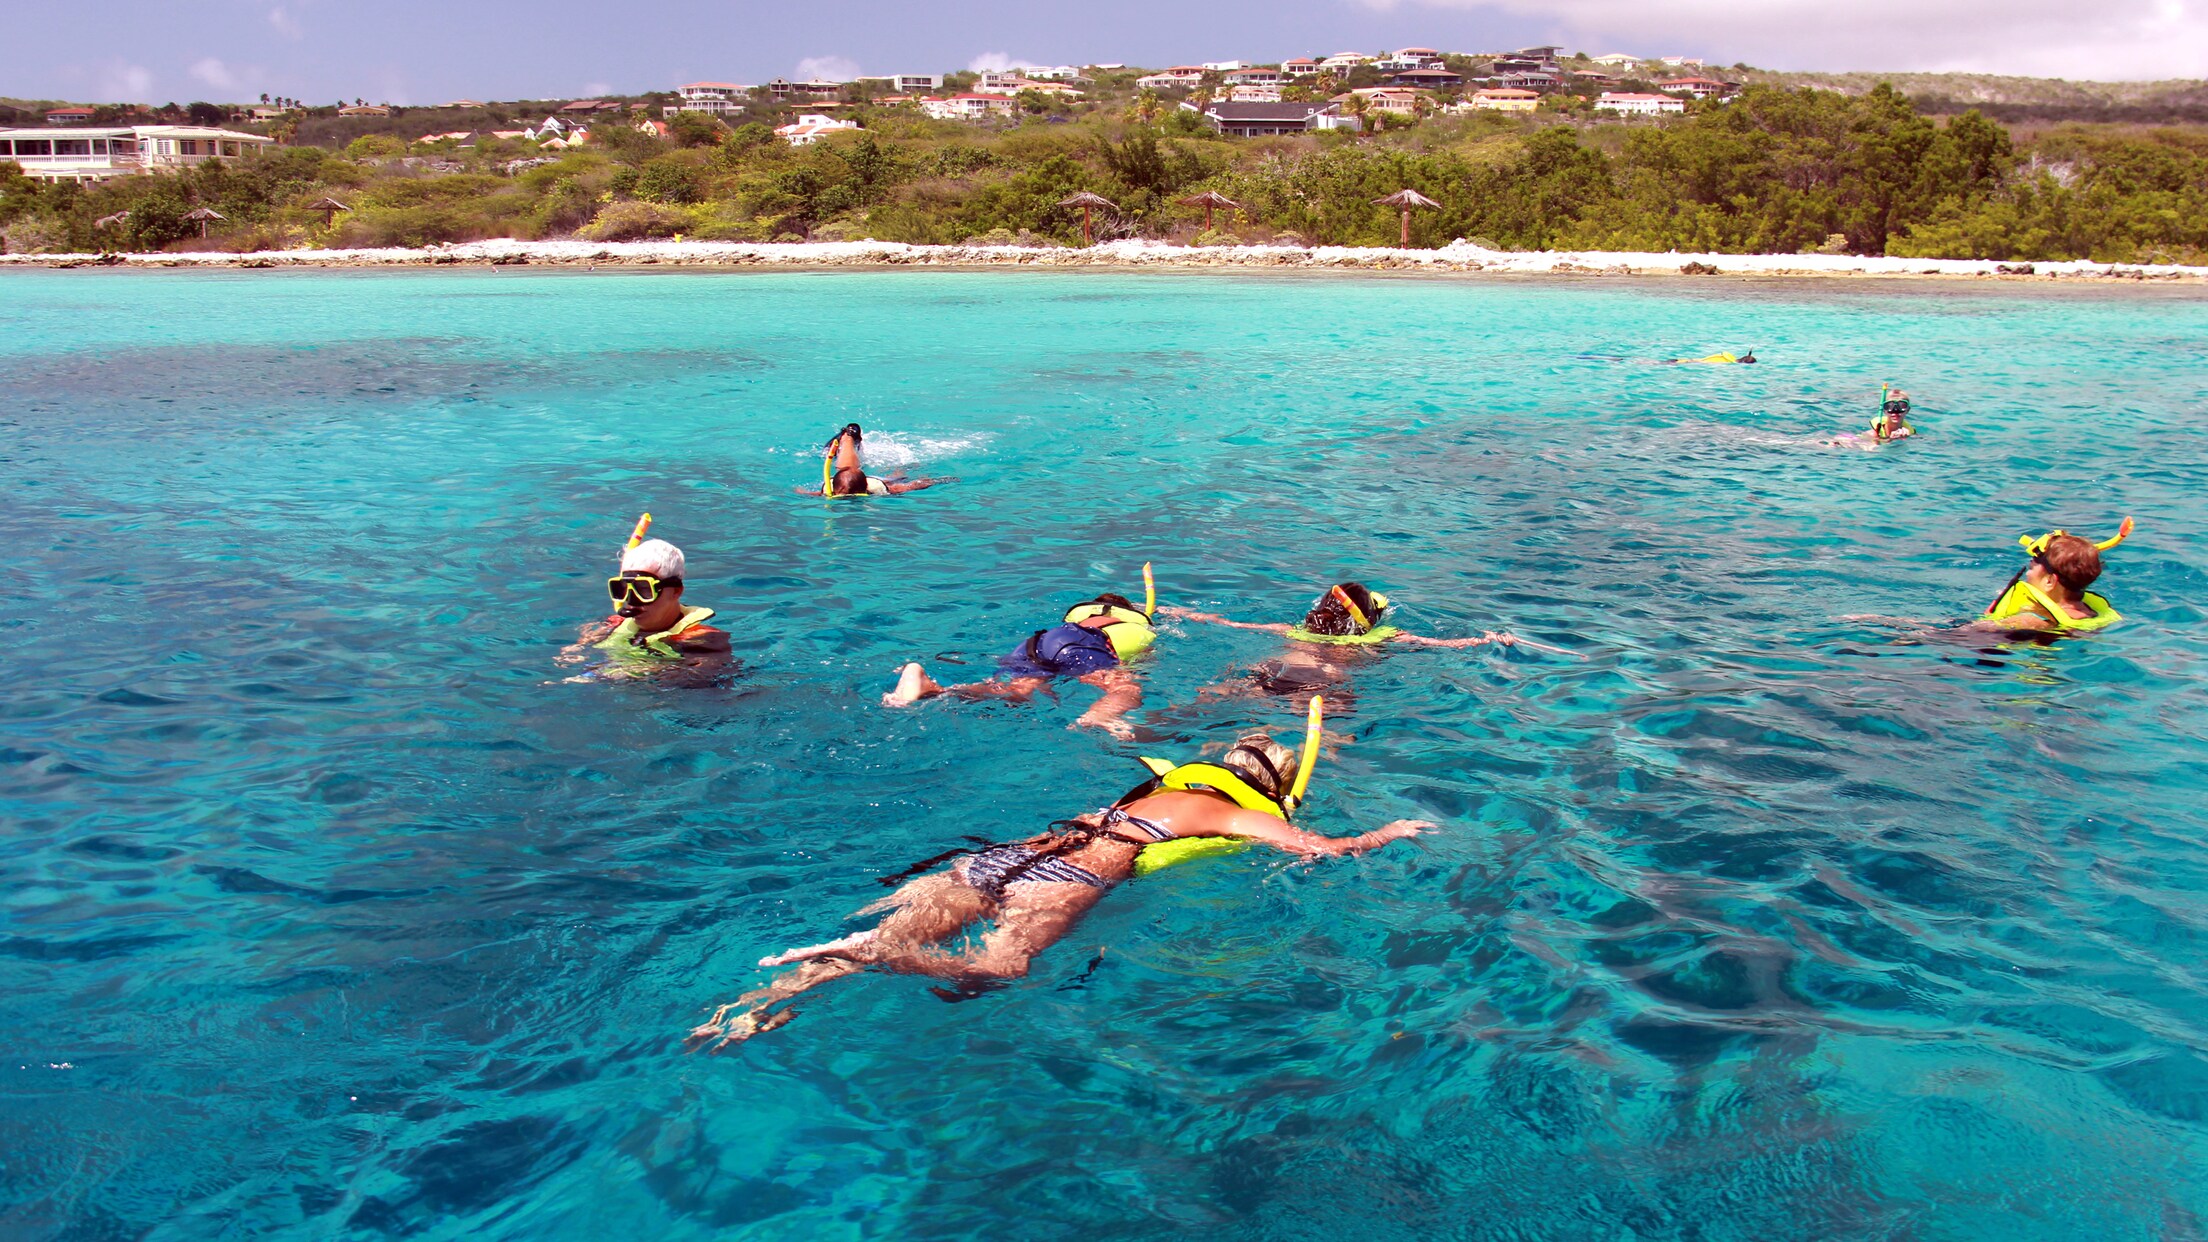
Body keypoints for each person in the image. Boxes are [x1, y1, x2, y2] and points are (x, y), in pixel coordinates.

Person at [685, 709, 1431, 1049]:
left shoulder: (1149, 793)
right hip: (1074, 874)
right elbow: (1323, 849)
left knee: (899, 926)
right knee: (998, 969)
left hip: (1011, 851)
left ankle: (755, 1006)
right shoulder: (1229, 813)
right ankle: (867, 956)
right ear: (1260, 787)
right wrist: (1388, 832)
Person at [1158, 581, 1525, 703]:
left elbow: (1231, 623)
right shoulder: (1386, 637)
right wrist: (1488, 639)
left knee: (1220, 696)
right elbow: (1442, 645)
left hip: (1271, 667)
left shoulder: (1292, 631)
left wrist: (1185, 615)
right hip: (1319, 684)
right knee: (1330, 734)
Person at [884, 582, 1157, 735]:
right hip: (1080, 648)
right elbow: (1137, 661)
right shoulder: (1129, 628)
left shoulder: (1079, 620)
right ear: (1128, 612)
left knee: (1016, 691)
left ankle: (933, 688)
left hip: (1037, 643)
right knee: (1126, 689)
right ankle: (1099, 717)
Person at [560, 530, 733, 683]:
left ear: (676, 592)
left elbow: (706, 679)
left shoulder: (701, 638)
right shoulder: (616, 623)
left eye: (644, 590)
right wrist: (582, 643)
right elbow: (588, 636)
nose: (632, 601)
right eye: (623, 590)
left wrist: (649, 670)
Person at [1980, 520, 2130, 633]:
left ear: (2050, 581)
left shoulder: (2030, 620)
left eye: (2032, 568)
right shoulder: (2096, 616)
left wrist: (1990, 616)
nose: (2027, 574)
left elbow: (1966, 638)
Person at [798, 422, 953, 497]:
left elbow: (909, 486)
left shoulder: (873, 488)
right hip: (861, 480)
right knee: (895, 478)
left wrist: (799, 492)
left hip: (873, 480)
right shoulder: (830, 491)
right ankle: (848, 438)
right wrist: (933, 481)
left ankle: (848, 438)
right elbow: (910, 486)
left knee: (896, 476)